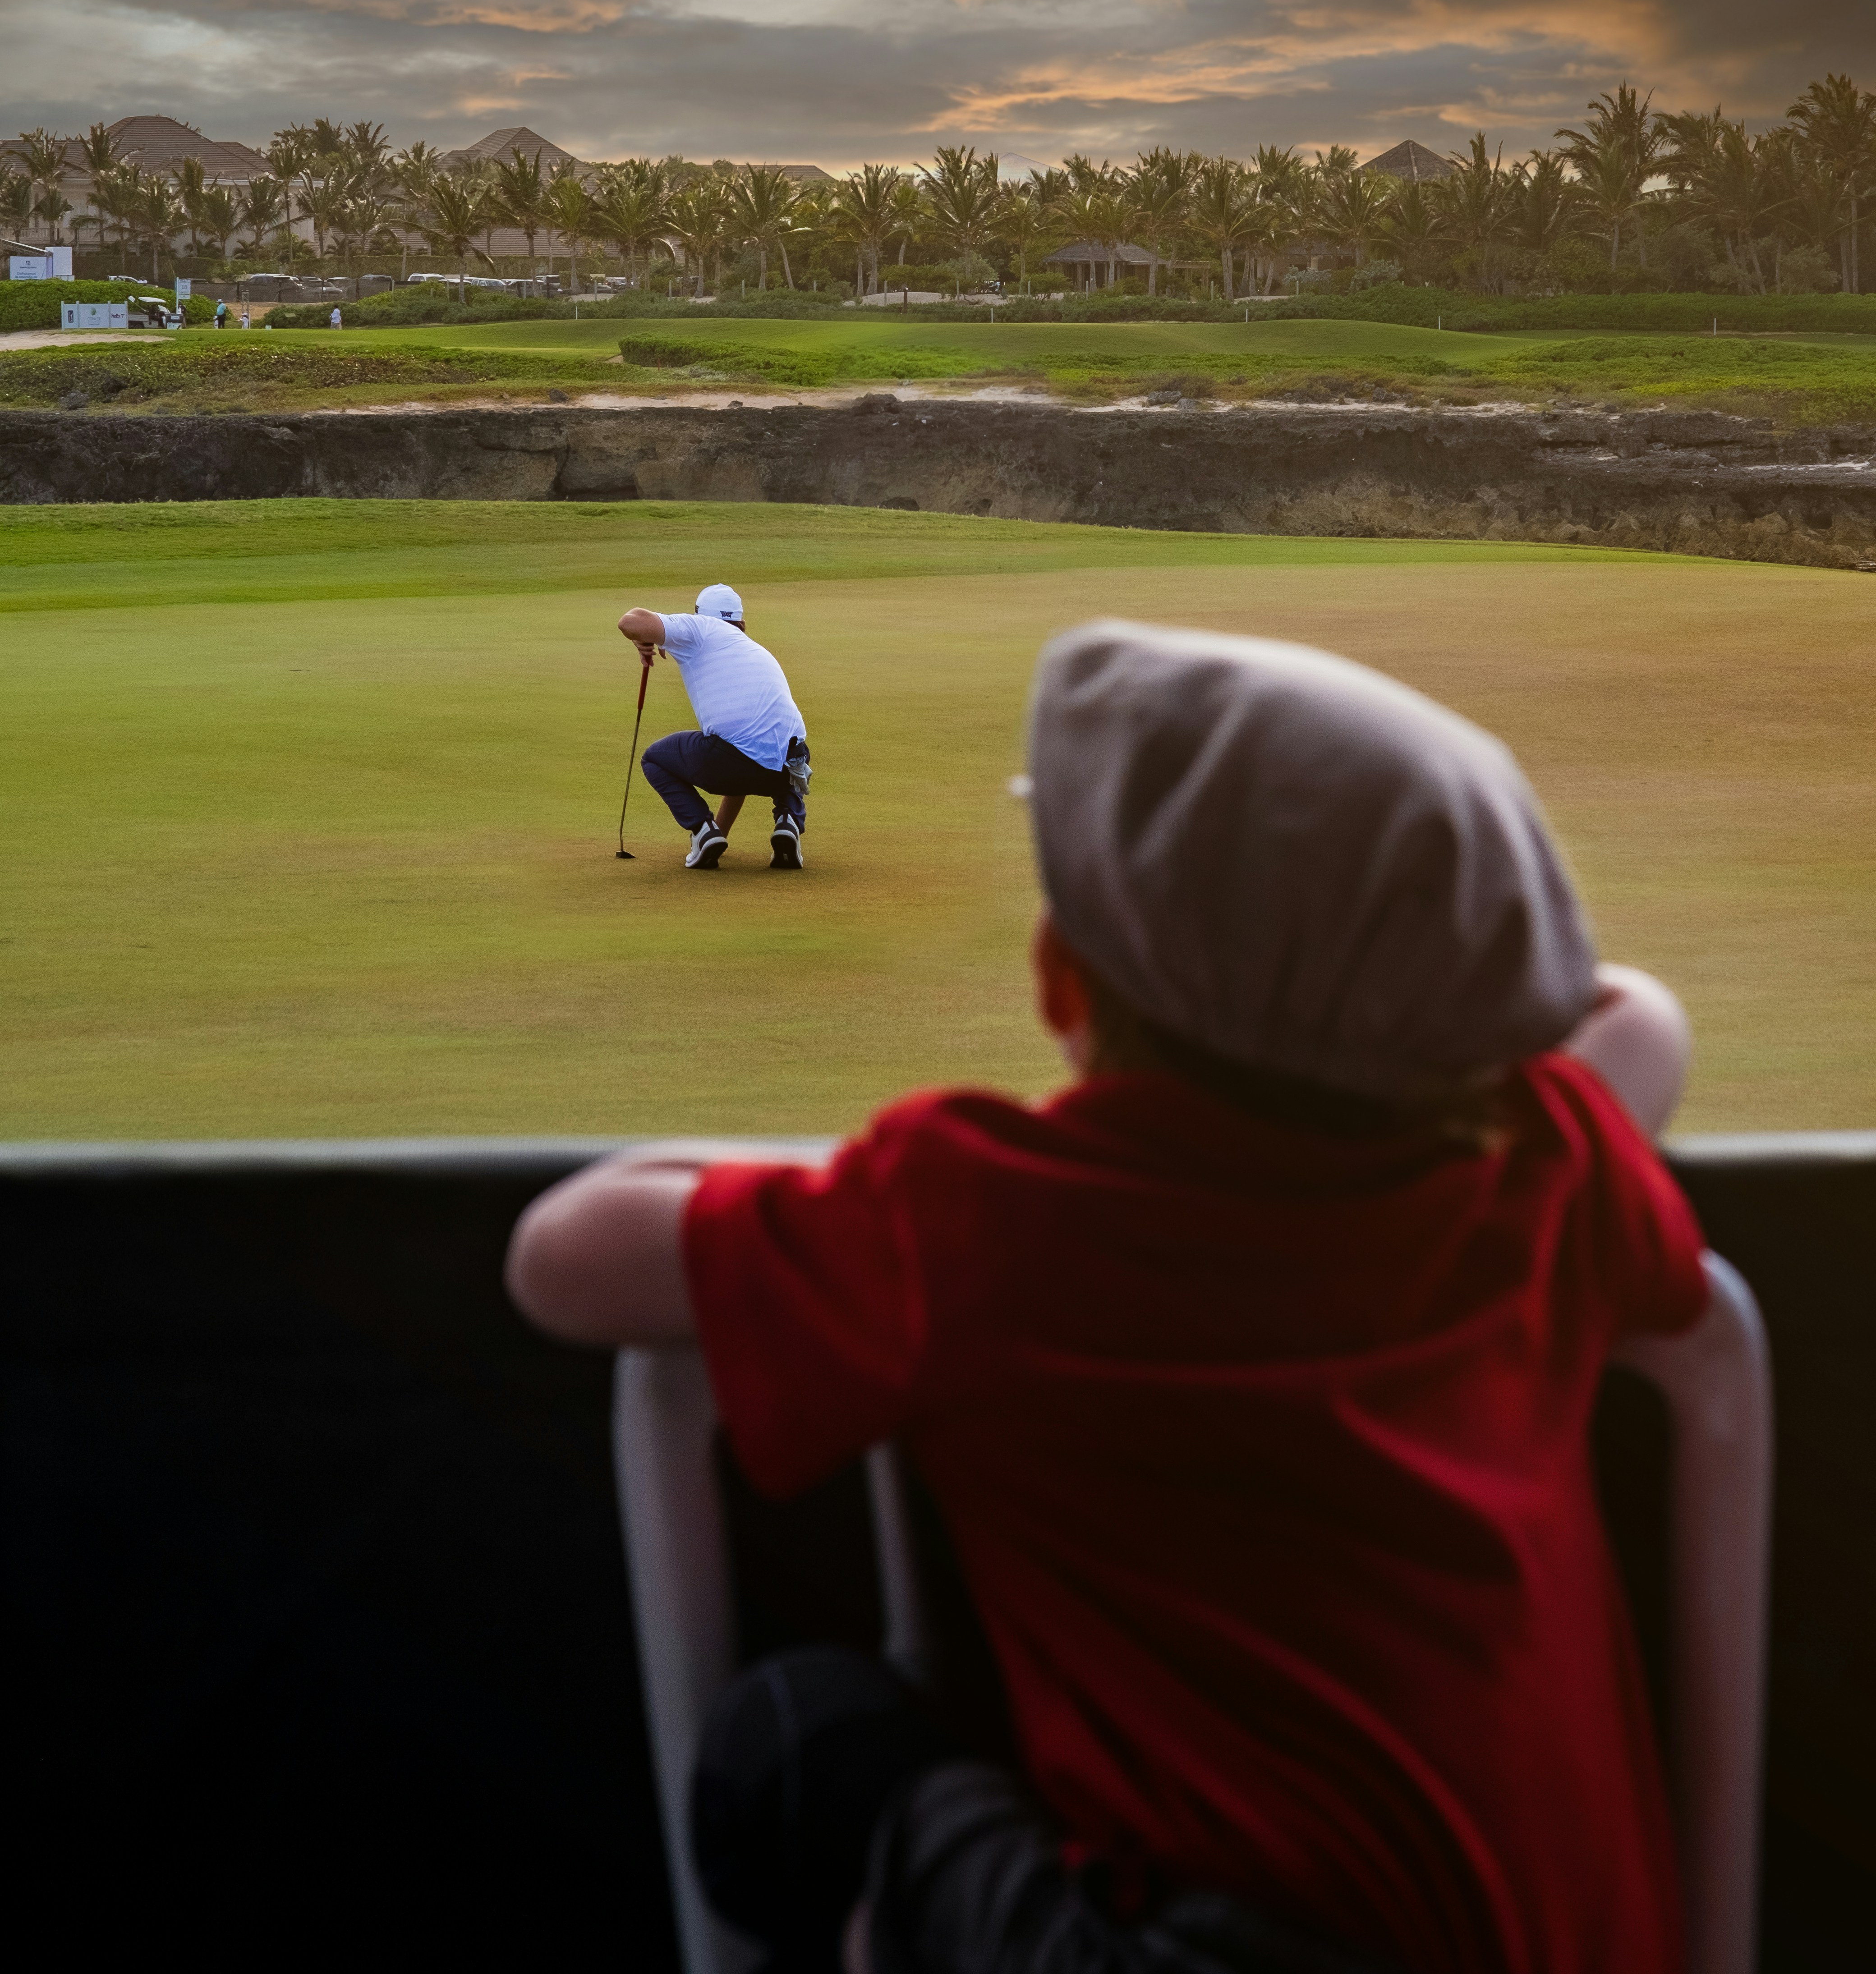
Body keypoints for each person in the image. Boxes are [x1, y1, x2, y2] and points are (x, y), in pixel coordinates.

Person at [508, 624, 1701, 1974]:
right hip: (1581, 1943)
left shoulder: (977, 1212)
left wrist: (875, 1184)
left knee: (796, 1745)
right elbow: (1638, 1022)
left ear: (1057, 979)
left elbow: (564, 1254)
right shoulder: (1533, 1168)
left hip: (1201, 1952)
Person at [620, 581, 810, 871]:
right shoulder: (757, 650)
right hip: (790, 764)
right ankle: (788, 822)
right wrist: (720, 833)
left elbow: (630, 621)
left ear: (697, 616)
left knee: (655, 758)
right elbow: (745, 764)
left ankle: (700, 828)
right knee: (777, 750)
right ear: (742, 625)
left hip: (733, 759)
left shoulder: (699, 628)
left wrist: (643, 638)